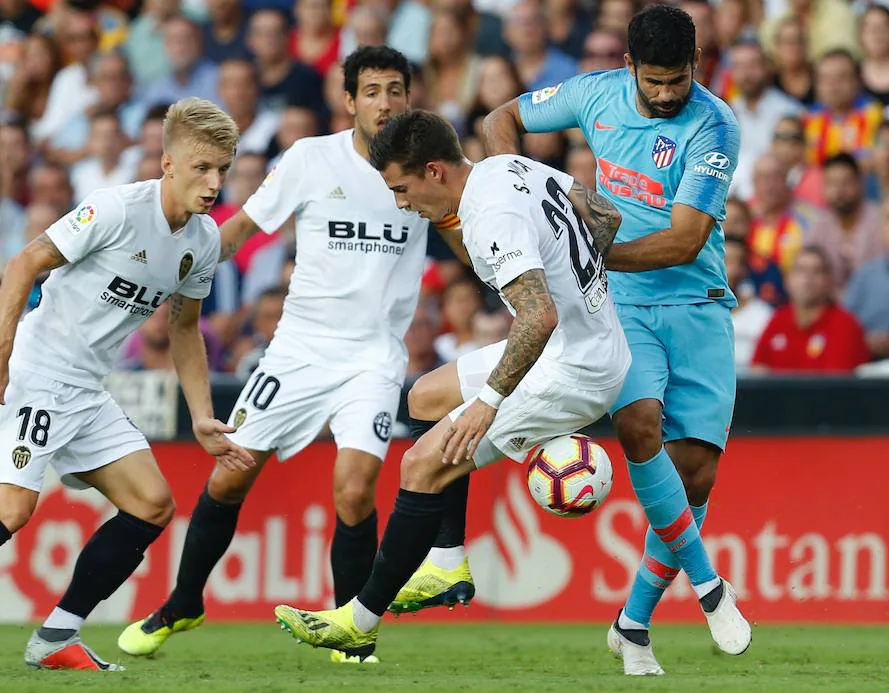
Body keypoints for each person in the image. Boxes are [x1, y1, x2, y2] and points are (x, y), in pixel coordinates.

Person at [117, 46, 468, 665]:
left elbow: (466, 242)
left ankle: (351, 633)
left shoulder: (426, 170)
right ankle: (184, 601)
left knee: (355, 490)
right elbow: (243, 229)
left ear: (409, 99)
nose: (384, 102)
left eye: (395, 90)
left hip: (372, 359)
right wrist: (175, 271)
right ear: (349, 101)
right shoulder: (311, 159)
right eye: (371, 91)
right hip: (297, 350)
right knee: (230, 473)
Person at [272, 109, 634, 661]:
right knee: (427, 396)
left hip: (573, 369)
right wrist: (583, 276)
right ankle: (446, 563)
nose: (400, 203)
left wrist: (486, 405)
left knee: (421, 464)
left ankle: (360, 620)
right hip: (579, 347)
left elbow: (538, 318)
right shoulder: (507, 167)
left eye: (402, 188)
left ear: (435, 171)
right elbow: (600, 212)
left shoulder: (490, 213)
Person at [480, 3, 752, 675]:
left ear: (696, 67)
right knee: (637, 423)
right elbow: (499, 119)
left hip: (698, 302)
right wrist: (523, 192)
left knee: (696, 473)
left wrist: (592, 252)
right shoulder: (591, 92)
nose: (664, 95)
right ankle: (710, 584)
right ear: (629, 66)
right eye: (653, 81)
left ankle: (632, 622)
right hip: (621, 307)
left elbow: (686, 239)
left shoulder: (715, 124)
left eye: (677, 81)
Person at [0, 97, 251, 671]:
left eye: (222, 170)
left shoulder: (204, 241)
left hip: (87, 391)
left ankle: (56, 638)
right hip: (37, 374)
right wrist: (2, 351)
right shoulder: (116, 209)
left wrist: (201, 416)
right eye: (202, 168)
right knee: (13, 510)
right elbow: (23, 264)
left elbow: (185, 329)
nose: (213, 183)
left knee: (152, 505)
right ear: (167, 163)